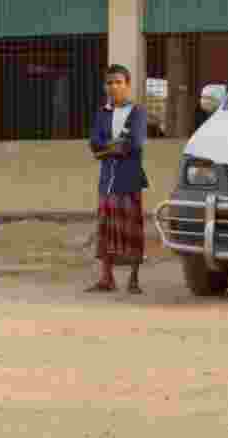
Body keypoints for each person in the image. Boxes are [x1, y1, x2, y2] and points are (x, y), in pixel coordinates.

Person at [86, 65, 150, 294]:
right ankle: (106, 279)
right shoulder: (102, 113)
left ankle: (134, 279)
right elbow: (94, 143)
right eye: (109, 83)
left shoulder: (138, 112)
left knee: (132, 229)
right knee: (105, 229)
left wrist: (106, 149)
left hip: (129, 179)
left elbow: (134, 144)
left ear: (128, 85)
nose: (113, 87)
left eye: (118, 82)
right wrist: (112, 146)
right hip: (107, 181)